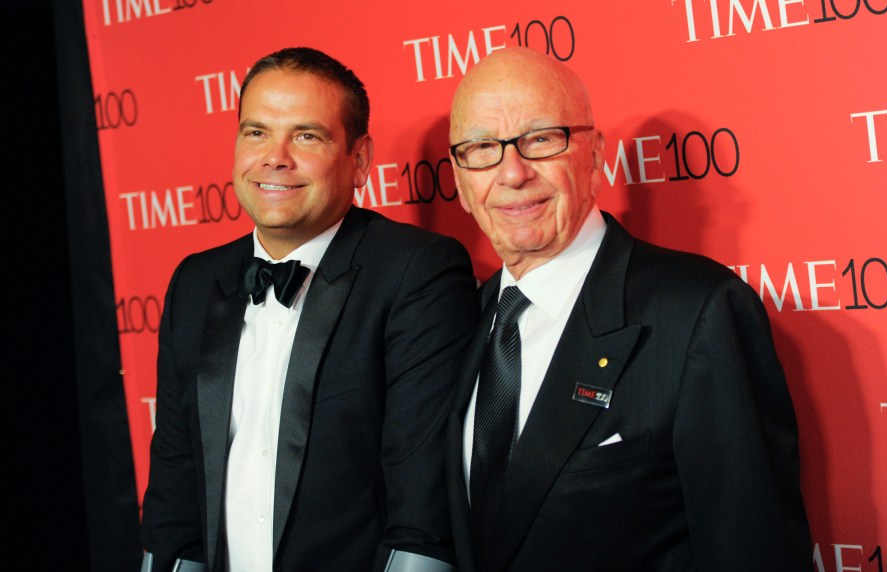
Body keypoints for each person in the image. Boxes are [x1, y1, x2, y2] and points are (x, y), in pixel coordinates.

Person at [444, 47, 812, 571]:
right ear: (459, 181)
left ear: (595, 155)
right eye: (482, 148)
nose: (512, 172)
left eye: (542, 139)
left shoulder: (699, 313)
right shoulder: (464, 322)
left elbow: (754, 551)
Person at [140, 47, 478, 572]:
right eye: (256, 132)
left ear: (359, 159)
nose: (275, 157)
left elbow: (423, 511)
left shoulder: (416, 272)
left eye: (306, 135)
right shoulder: (195, 280)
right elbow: (174, 490)